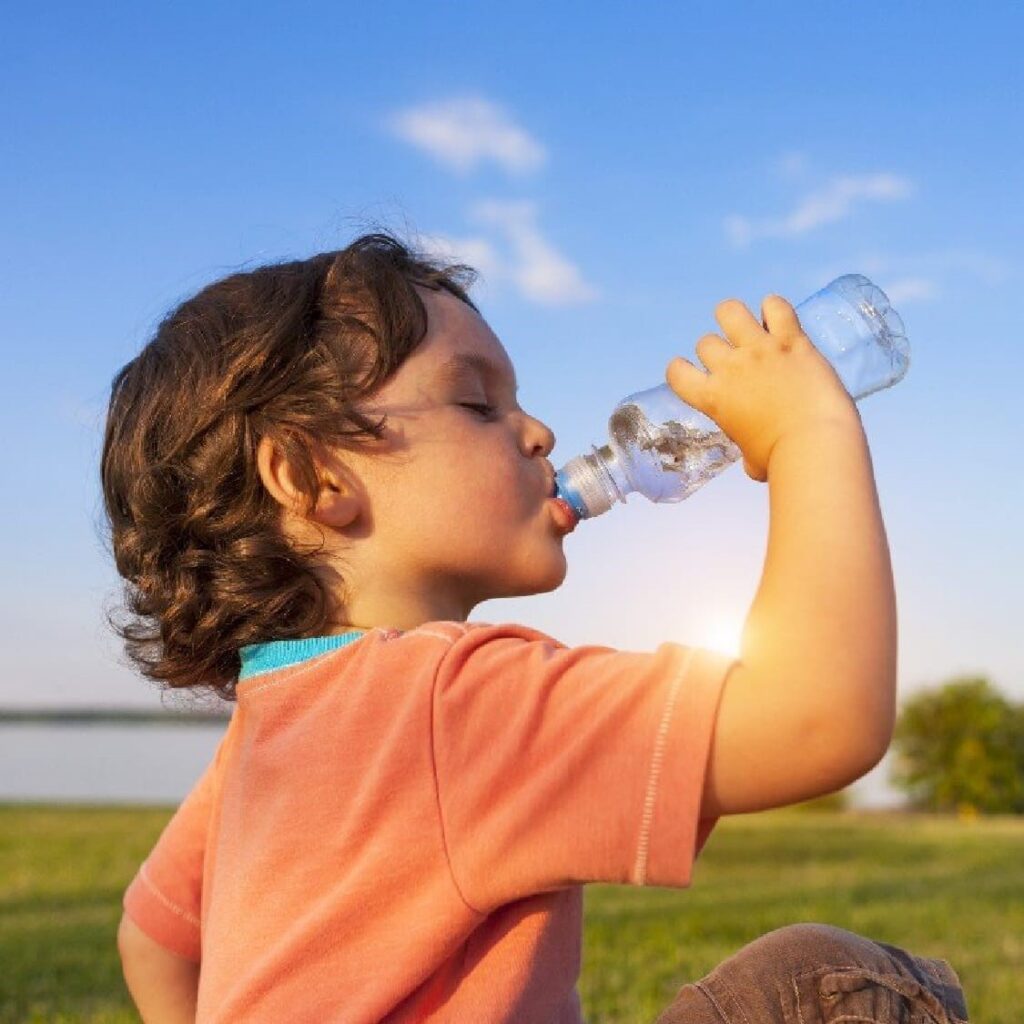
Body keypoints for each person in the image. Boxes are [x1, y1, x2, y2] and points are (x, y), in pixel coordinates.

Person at [107, 234, 968, 1022]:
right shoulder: (452, 705)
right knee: (817, 983)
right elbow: (819, 717)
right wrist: (809, 433)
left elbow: (153, 942)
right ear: (308, 475)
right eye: (479, 404)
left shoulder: (274, 727)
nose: (540, 432)